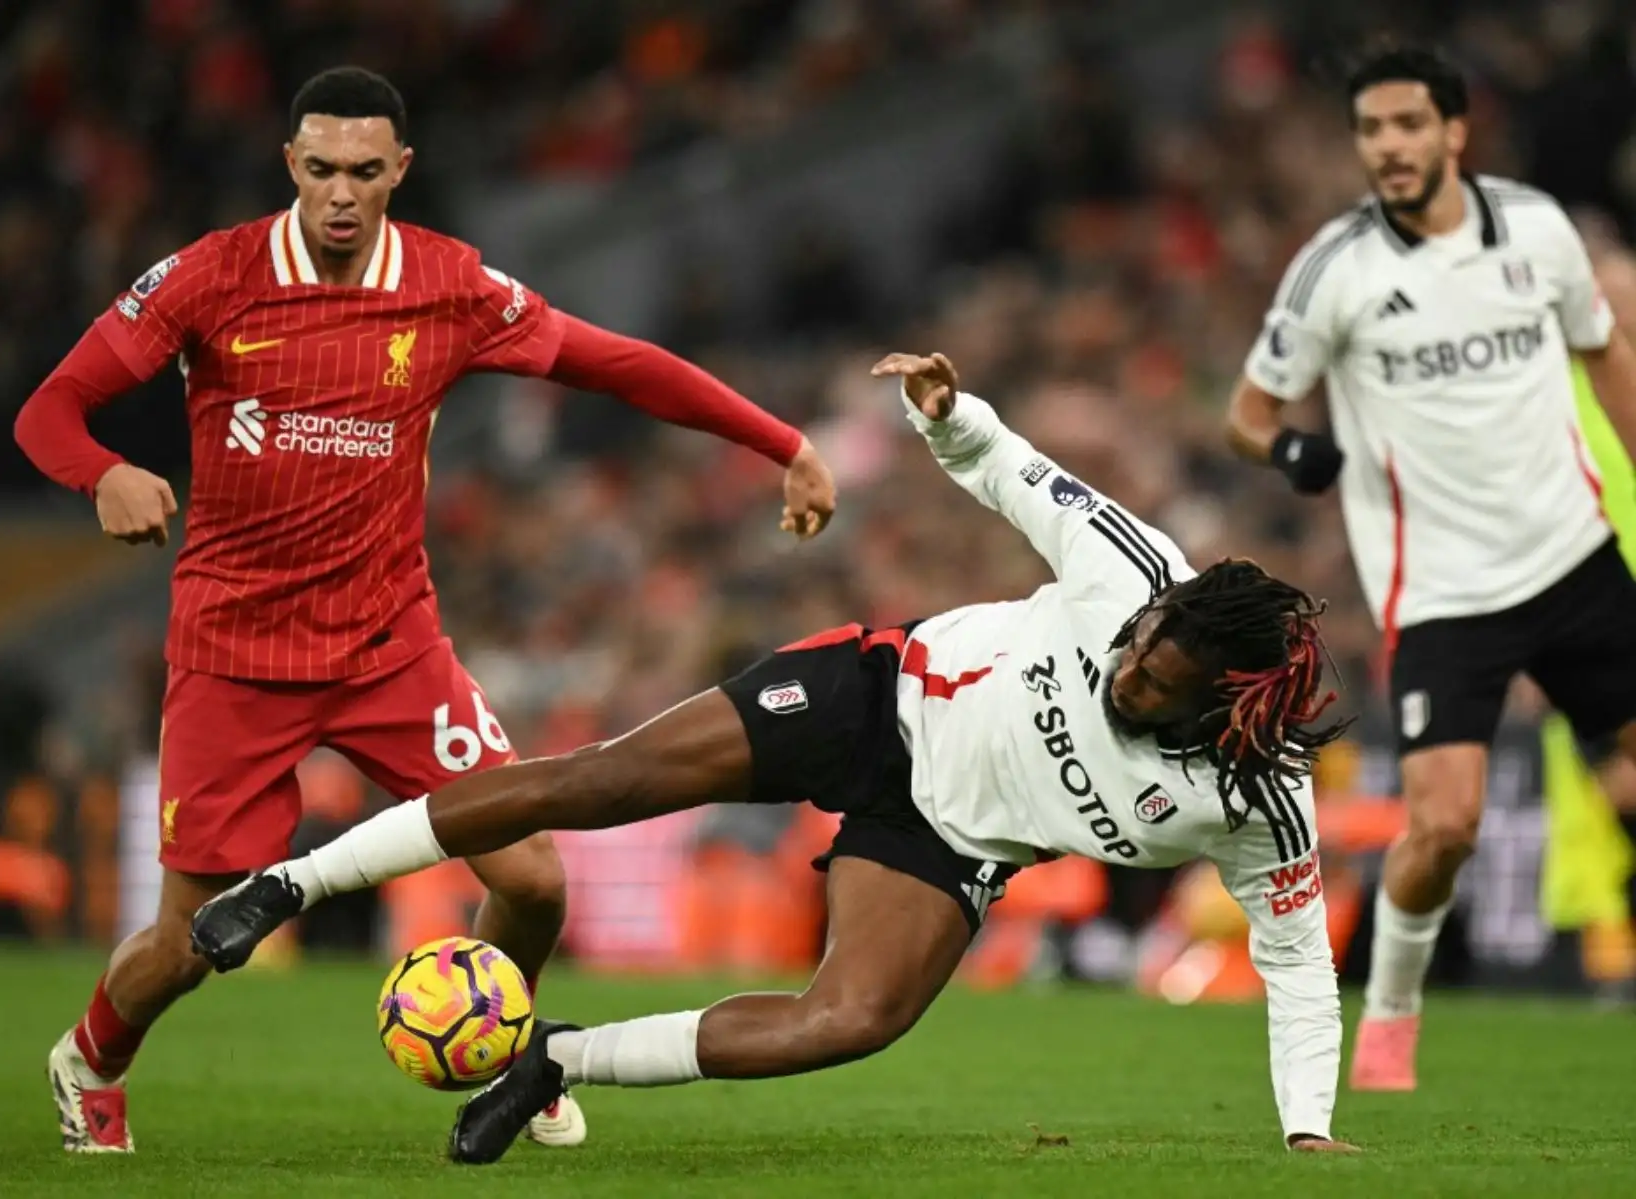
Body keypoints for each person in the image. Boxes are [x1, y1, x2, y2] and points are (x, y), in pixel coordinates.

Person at [193, 351, 1358, 1163]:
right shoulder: (1132, 570)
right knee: (597, 781)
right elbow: (1006, 467)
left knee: (849, 1019)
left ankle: (551, 1061)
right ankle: (288, 884)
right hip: (873, 694)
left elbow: (1298, 963)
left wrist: (1306, 1126)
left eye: (1158, 683)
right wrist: (946, 411)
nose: (1128, 669)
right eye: (1143, 646)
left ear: (1225, 707)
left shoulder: (1261, 799)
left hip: (949, 837)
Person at [13, 66, 836, 1155]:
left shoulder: (447, 285)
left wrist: (783, 442)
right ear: (290, 166)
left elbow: (614, 364)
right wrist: (103, 472)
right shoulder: (211, 278)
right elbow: (48, 410)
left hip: (390, 648)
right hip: (235, 654)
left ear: (400, 169)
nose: (341, 194)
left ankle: (512, 1058)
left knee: (536, 879)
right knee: (198, 939)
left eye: (364, 170)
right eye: (320, 170)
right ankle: (93, 1054)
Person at [1224, 44, 1636, 1091]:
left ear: (1454, 132)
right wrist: (1289, 451)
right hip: (1444, 595)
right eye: (1372, 131)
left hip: (1576, 559)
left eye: (1409, 125)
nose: (1390, 147)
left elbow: (1604, 351)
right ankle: (1394, 1012)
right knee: (1445, 823)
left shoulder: (1536, 230)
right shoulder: (1335, 269)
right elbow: (1248, 412)